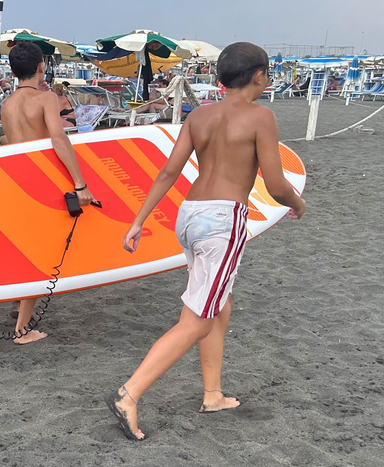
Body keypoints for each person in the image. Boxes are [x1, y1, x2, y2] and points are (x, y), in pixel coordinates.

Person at [105, 42, 306, 441]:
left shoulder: (199, 115)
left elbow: (167, 172)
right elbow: (275, 182)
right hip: (222, 220)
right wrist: (298, 203)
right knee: (197, 319)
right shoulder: (260, 117)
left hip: (189, 213)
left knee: (218, 301)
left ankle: (212, 394)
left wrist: (138, 221)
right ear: (259, 76)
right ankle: (130, 393)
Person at [0, 42, 94, 344]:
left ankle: (17, 303)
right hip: (41, 181)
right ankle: (22, 330)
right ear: (41, 66)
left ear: (13, 71)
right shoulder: (46, 99)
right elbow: (58, 139)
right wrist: (80, 183)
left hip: (16, 179)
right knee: (39, 252)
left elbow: (6, 141)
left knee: (21, 245)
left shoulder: (7, 103)